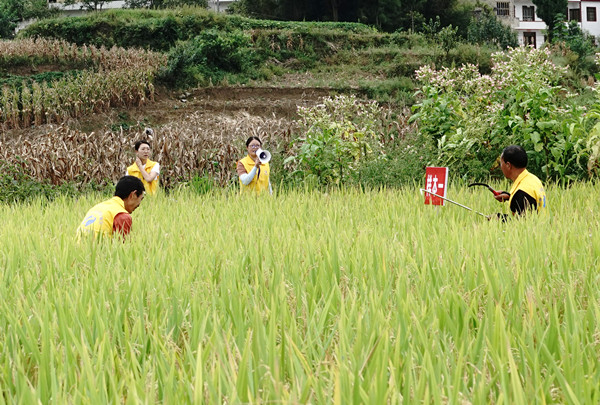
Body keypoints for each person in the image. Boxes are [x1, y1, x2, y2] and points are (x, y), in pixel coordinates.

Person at [77, 176, 145, 240]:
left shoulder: (97, 207)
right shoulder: (122, 216)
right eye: (141, 199)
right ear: (133, 195)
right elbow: (124, 247)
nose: (139, 204)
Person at [494, 145, 547, 217]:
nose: (500, 167)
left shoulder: (521, 193)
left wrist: (498, 218)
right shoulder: (533, 179)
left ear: (508, 165)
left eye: (501, 163)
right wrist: (510, 197)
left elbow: (523, 223)